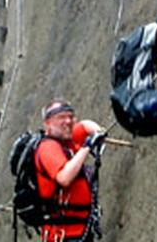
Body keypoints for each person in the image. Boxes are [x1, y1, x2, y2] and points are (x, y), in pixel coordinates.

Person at [33, 99, 106, 242]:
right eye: (61, 118)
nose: (68, 121)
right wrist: (88, 146)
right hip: (64, 236)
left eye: (71, 116)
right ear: (48, 123)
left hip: (79, 230)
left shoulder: (67, 140)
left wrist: (98, 131)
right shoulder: (47, 148)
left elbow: (85, 126)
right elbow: (64, 177)